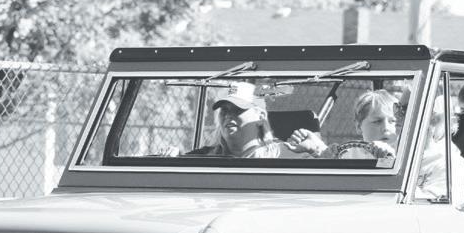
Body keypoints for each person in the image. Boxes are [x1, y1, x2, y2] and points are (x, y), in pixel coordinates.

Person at [156, 82, 291, 158]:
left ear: (260, 117)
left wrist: (306, 148)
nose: (228, 116)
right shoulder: (205, 156)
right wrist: (174, 157)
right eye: (224, 110)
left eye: (238, 109)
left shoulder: (282, 154)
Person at [287, 89, 399, 162]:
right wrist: (315, 148)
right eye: (377, 121)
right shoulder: (349, 153)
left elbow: (394, 177)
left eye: (392, 121)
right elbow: (330, 162)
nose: (386, 128)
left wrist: (387, 157)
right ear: (358, 127)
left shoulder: (403, 155)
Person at [416, 93, 464, 200]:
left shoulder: (452, 163)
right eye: (397, 108)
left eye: (405, 111)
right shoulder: (395, 151)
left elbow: (437, 207)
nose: (398, 117)